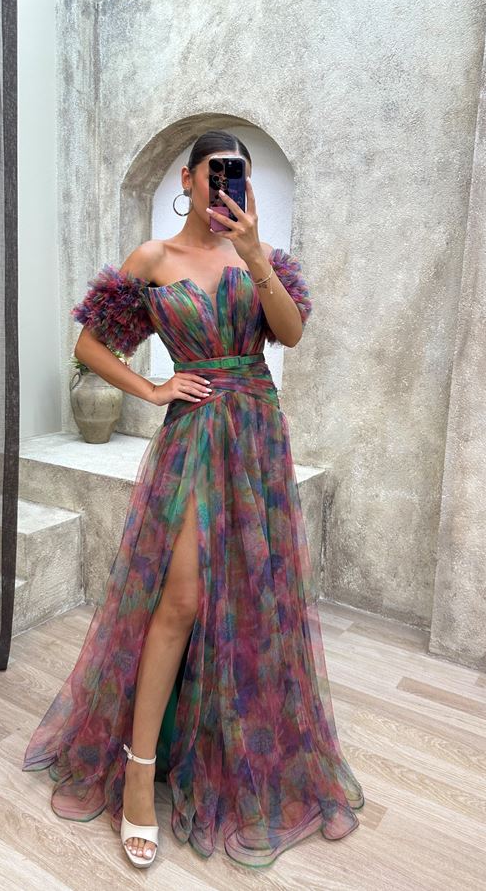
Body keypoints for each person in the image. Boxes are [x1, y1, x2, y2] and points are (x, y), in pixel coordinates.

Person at [21, 129, 364, 870]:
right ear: (188, 177)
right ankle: (137, 772)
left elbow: (290, 334)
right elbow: (89, 345)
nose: (223, 187)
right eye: (214, 173)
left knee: (252, 597)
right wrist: (151, 388)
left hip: (257, 435)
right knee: (178, 600)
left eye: (236, 175)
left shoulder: (256, 256)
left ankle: (237, 751)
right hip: (193, 434)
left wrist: (255, 255)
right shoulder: (153, 259)